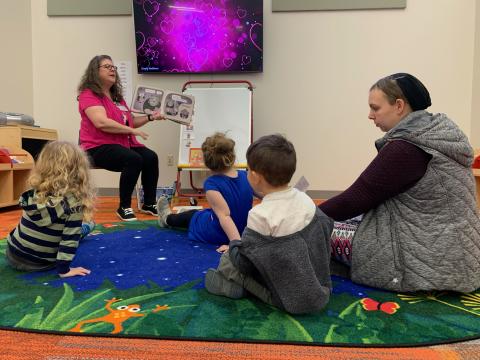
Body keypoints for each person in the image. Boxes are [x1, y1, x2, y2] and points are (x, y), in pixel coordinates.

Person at [319, 73, 480, 293]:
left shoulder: (407, 148)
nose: (370, 115)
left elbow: (355, 199)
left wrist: (303, 216)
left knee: (319, 229)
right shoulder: (436, 135)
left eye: (375, 108)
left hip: (428, 260)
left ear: (399, 106)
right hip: (457, 255)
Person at [205, 134, 333, 314]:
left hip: (289, 300)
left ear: (256, 177)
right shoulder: (305, 199)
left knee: (228, 261)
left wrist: (233, 245)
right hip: (321, 285)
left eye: (248, 169)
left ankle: (234, 285)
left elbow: (245, 263)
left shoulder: (259, 215)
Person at [78, 54, 165, 221]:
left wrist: (150, 117)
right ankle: (124, 207)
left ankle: (149, 203)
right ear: (95, 72)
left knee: (150, 157)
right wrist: (131, 131)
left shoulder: (117, 97)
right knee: (133, 159)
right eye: (107, 66)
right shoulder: (88, 95)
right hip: (97, 146)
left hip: (123, 143)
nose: (112, 69)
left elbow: (131, 122)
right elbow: (101, 122)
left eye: (114, 67)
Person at [6, 141, 96, 278]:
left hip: (13, 253)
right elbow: (69, 240)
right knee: (78, 230)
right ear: (79, 169)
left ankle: (84, 228)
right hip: (39, 263)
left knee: (63, 227)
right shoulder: (74, 204)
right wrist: (64, 270)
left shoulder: (35, 189)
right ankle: (86, 228)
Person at [157, 132, 253, 253]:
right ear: (232, 157)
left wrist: (236, 245)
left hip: (221, 233)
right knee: (204, 213)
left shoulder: (212, 184)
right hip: (244, 232)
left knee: (194, 216)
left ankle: (166, 219)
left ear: (207, 163)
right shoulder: (246, 176)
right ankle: (176, 215)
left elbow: (225, 216)